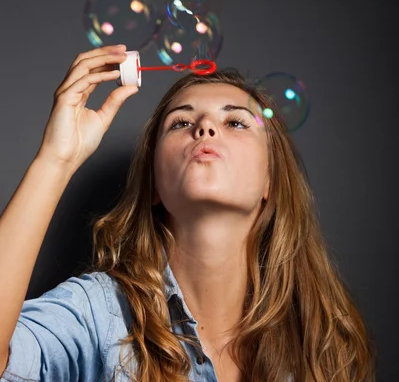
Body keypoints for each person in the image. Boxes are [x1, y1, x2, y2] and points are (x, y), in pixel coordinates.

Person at [0, 44, 378, 382]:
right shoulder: (100, 314)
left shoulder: (319, 340)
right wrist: (56, 159)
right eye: (181, 122)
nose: (206, 127)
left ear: (271, 183)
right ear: (152, 186)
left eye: (235, 122)